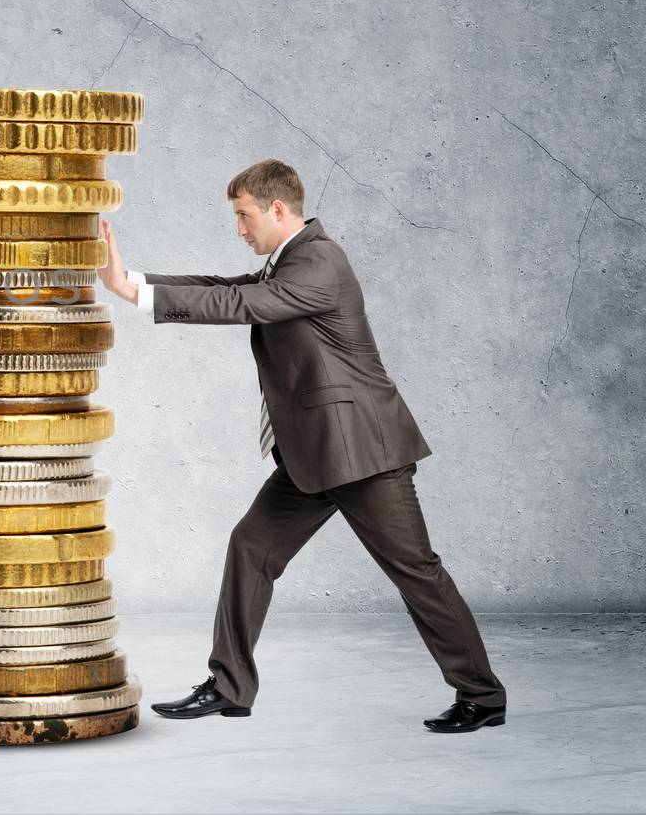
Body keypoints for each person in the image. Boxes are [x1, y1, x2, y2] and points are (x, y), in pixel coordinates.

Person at [97, 158, 507, 733]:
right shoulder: (288, 263)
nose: (239, 229)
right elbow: (228, 287)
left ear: (278, 209)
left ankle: (482, 697)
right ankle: (229, 686)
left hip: (364, 456)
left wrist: (136, 297)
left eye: (243, 217)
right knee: (251, 547)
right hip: (316, 454)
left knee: (416, 572)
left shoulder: (320, 261)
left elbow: (244, 306)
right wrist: (131, 282)